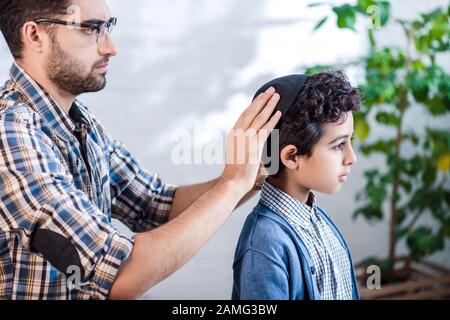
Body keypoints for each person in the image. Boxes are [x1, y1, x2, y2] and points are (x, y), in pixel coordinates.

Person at [0, 0, 281, 299]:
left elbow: (156, 204)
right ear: (34, 36)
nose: (110, 47)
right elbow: (121, 274)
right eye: (91, 29)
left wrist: (253, 177)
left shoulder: (81, 123)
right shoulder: (11, 132)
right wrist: (233, 184)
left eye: (107, 27)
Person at [232, 72, 362, 300]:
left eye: (350, 141)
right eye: (338, 145)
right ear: (292, 157)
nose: (352, 157)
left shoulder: (320, 222)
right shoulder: (264, 243)